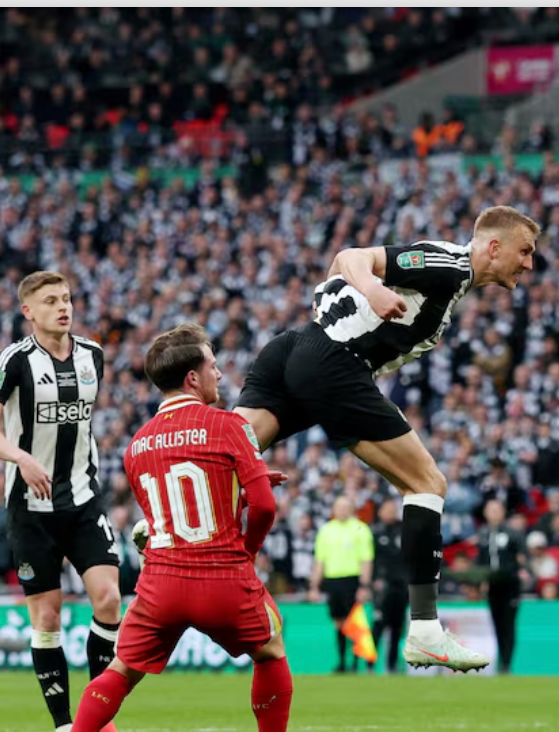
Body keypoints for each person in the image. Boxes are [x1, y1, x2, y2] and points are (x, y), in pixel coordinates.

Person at [233, 205, 543, 673]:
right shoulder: (450, 265)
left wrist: (369, 292)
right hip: (335, 362)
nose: (529, 264)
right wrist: (375, 289)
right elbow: (352, 256)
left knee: (227, 452)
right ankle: (424, 630)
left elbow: (343, 270)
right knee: (427, 483)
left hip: (296, 348)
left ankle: (161, 529)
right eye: (525, 251)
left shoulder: (452, 282)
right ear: (493, 247)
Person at [38, 322, 300, 732]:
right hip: (222, 576)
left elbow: (175, 511)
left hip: (161, 581)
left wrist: (234, 492)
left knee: (121, 669)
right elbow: (263, 507)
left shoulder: (137, 445)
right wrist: (246, 551)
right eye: (213, 365)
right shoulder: (231, 425)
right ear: (193, 379)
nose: (220, 373)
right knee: (272, 651)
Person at [0, 270, 131, 732]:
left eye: (67, 298)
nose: (64, 307)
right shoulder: (14, 362)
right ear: (28, 312)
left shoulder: (92, 356)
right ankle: (65, 730)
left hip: (81, 500)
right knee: (49, 618)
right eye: (51, 301)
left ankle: (98, 719)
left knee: (108, 598)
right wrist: (20, 457)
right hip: (31, 510)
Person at [309, 496, 375, 673]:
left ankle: (355, 663)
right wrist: (314, 586)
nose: (342, 511)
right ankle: (342, 662)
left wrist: (364, 585)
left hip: (352, 580)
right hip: (333, 581)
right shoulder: (326, 530)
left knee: (354, 622)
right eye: (338, 507)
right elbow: (319, 561)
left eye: (345, 507)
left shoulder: (361, 529)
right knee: (338, 623)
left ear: (351, 509)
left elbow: (366, 560)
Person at [475, 498, 527, 674]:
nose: (494, 514)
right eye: (491, 510)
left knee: (509, 624)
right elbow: (481, 560)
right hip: (493, 585)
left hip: (510, 584)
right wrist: (481, 580)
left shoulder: (513, 534)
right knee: (496, 624)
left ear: (503, 512)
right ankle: (500, 662)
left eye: (497, 510)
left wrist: (521, 571)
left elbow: (522, 558)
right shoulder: (482, 534)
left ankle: (507, 663)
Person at [370, 497, 409, 675]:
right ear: (380, 512)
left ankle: (391, 666)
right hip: (382, 586)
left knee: (396, 626)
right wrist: (373, 579)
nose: (391, 513)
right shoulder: (374, 532)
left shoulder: (404, 531)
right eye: (387, 510)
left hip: (401, 586)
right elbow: (370, 560)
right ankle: (370, 663)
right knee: (378, 625)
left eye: (393, 510)